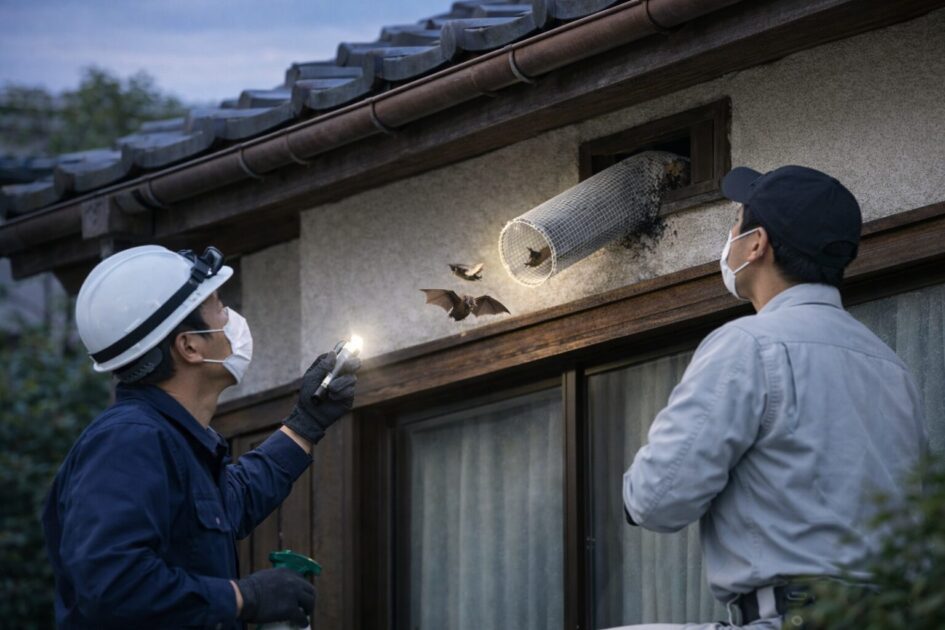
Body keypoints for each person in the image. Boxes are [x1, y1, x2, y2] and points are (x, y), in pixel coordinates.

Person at [613, 166, 927, 629]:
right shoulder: (893, 369)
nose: (730, 238)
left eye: (736, 222)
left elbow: (656, 499)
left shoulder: (748, 345)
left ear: (757, 243)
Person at [42, 245, 359, 629]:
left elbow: (231, 502)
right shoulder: (128, 442)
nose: (231, 318)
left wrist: (304, 424)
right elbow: (113, 584)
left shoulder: (169, 441)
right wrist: (242, 597)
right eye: (220, 307)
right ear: (189, 346)